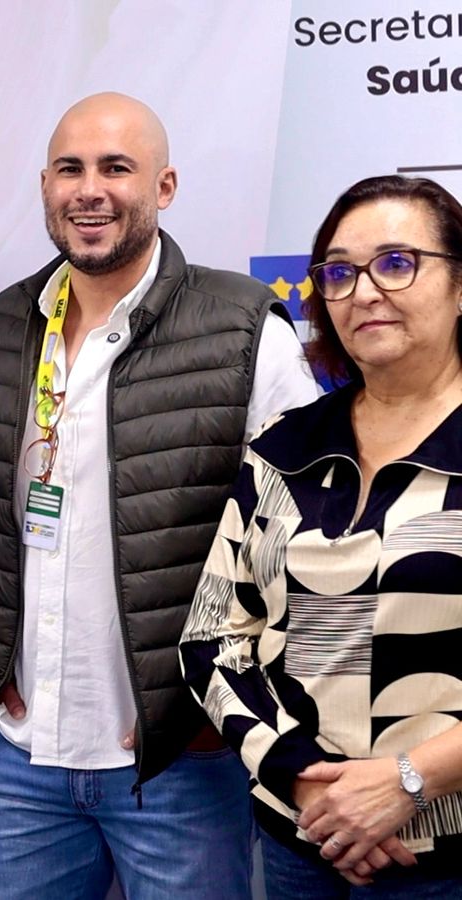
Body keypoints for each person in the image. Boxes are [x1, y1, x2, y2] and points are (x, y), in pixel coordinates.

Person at [0, 92, 320, 899]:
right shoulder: (2, 326)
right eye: (70, 169)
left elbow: (302, 539)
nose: (90, 190)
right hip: (18, 759)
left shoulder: (244, 330)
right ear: (45, 185)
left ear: (164, 186)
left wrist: (221, 701)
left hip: (180, 765)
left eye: (116, 168)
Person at [182, 174, 462, 897]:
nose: (364, 292)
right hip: (304, 840)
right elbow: (211, 637)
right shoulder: (285, 446)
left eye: (396, 263)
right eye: (339, 273)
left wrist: (407, 782)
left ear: (460, 283)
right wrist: (308, 785)